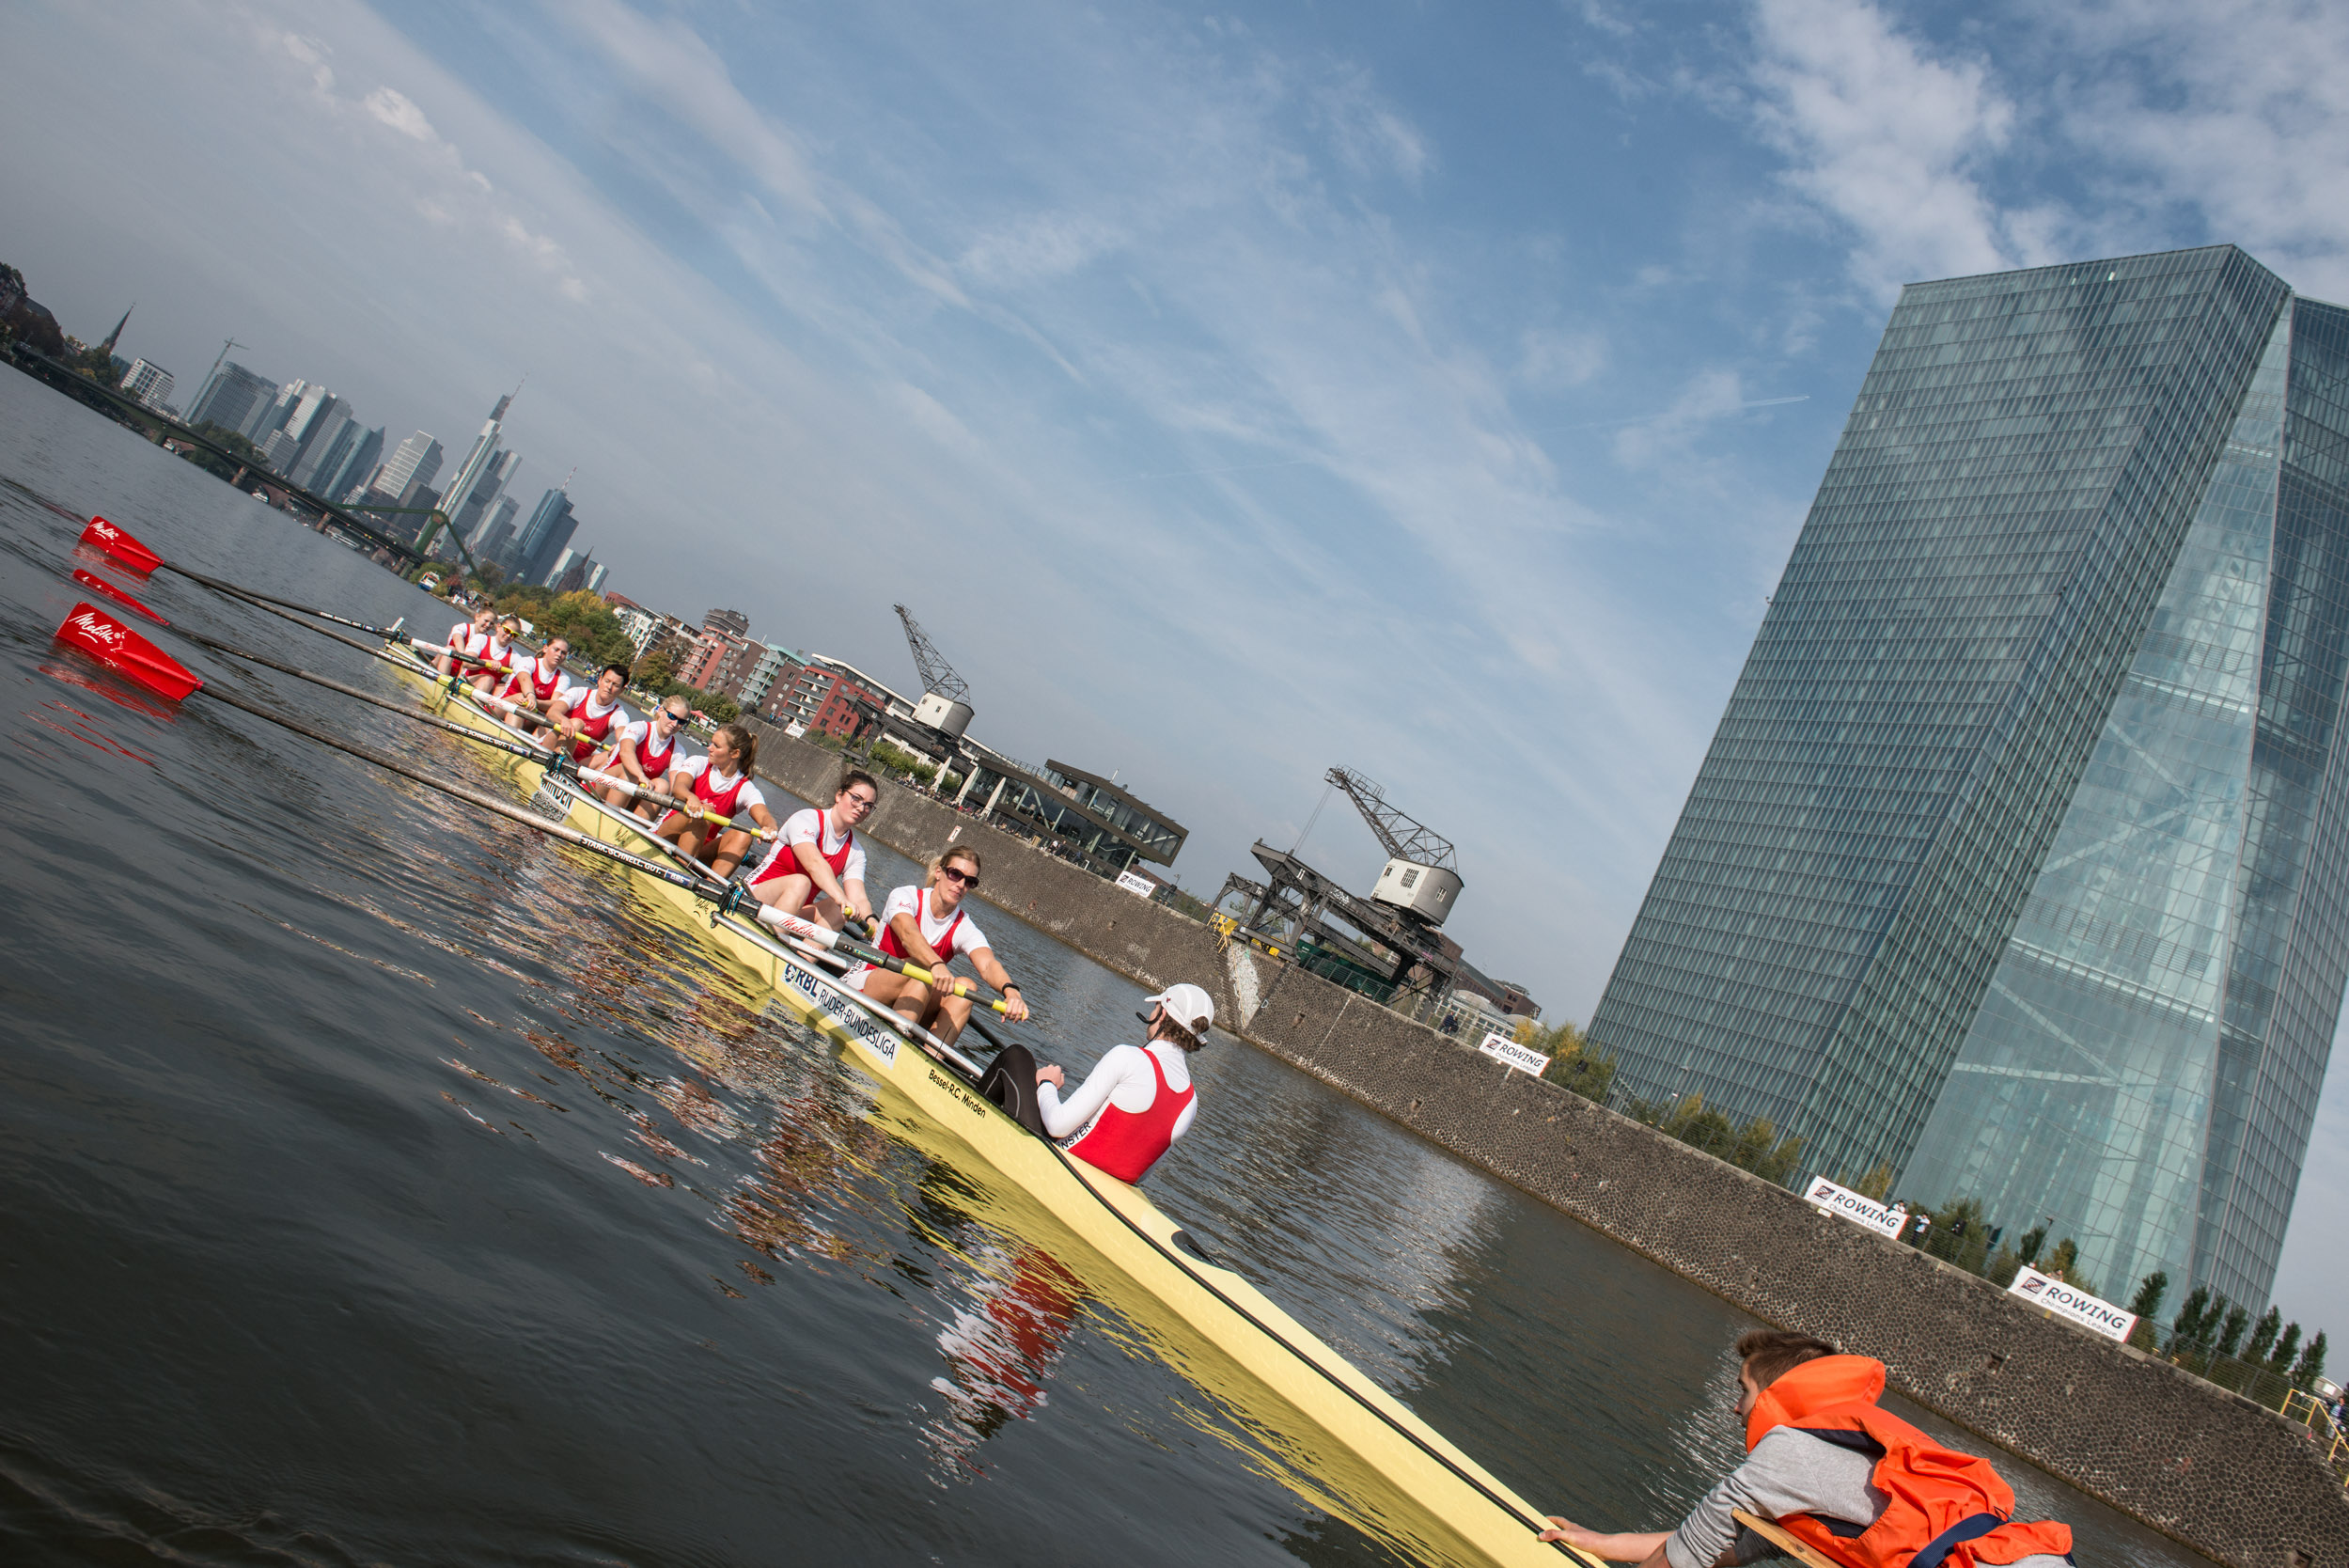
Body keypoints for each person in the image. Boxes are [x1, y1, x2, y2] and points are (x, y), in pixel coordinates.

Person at [1540, 1331, 2073, 1568]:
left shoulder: (1787, 1453)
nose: (1735, 1408)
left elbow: (1685, 1559)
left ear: (1773, 1398)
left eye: (1743, 1392)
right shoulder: (1832, 1456)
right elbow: (1729, 1548)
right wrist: (1601, 1542)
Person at [975, 984, 1212, 1184]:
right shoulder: (1190, 1102)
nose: (1151, 1013)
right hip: (1100, 1191)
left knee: (1017, 1055)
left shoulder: (1128, 1057)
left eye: (1156, 1007)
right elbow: (1140, 1175)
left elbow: (1057, 1126)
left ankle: (967, 1111)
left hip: (1054, 1171)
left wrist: (1046, 1084)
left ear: (1163, 1016)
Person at [844, 846, 1028, 1045]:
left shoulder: (962, 925)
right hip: (866, 982)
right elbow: (908, 934)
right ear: (939, 872)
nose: (960, 884)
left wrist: (1011, 992)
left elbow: (988, 964)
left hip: (916, 999)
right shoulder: (906, 897)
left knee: (967, 987)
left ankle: (934, 1058)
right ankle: (895, 1042)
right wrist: (936, 964)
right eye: (955, 874)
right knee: (921, 966)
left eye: (970, 881)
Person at [744, 769, 880, 934]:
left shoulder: (856, 852)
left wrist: (872, 922)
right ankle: (770, 944)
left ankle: (803, 956)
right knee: (801, 882)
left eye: (868, 806)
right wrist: (841, 897)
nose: (861, 808)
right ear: (839, 796)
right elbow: (814, 864)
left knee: (840, 909)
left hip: (790, 913)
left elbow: (858, 897)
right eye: (856, 799)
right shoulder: (806, 819)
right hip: (752, 896)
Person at [655, 720, 778, 877]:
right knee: (706, 810)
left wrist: (769, 828)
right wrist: (690, 797)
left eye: (716, 746)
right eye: (711, 743)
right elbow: (678, 789)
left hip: (700, 852)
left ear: (734, 754)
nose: (709, 748)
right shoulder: (698, 763)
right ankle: (680, 870)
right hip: (667, 834)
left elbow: (764, 816)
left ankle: (710, 888)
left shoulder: (744, 788)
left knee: (744, 835)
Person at [595, 696, 690, 818]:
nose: (675, 724)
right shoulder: (638, 728)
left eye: (681, 721)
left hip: (632, 795)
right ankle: (608, 818)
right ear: (661, 711)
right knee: (631, 773)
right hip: (601, 786)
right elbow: (626, 752)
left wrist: (688, 799)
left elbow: (676, 785)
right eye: (672, 717)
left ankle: (633, 829)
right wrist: (641, 776)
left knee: (662, 785)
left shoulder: (678, 751)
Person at [551, 662, 630, 762]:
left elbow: (623, 735)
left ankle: (565, 767)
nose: (609, 687)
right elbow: (552, 712)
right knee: (576, 723)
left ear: (621, 690)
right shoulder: (579, 693)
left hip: (579, 761)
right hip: (553, 747)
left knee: (617, 753)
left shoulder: (619, 714)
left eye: (615, 685)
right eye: (607, 681)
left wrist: (621, 745)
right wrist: (564, 720)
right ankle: (556, 762)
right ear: (600, 680)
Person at [494, 635, 574, 733]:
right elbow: (525, 679)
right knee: (521, 699)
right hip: (499, 708)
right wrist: (530, 695)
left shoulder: (564, 678)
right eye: (556, 650)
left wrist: (536, 702)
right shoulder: (528, 661)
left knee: (551, 717)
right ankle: (511, 738)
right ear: (545, 648)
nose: (559, 655)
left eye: (563, 653)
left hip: (528, 718)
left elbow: (554, 703)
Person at [435, 603, 495, 685]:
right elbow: (457, 637)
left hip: (461, 674)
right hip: (444, 665)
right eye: (486, 621)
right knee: (451, 649)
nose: (488, 625)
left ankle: (456, 684)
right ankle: (441, 681)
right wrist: (464, 654)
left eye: (491, 624)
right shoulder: (462, 627)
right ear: (477, 617)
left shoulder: (487, 640)